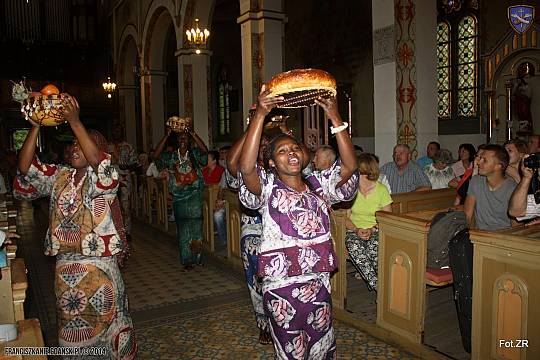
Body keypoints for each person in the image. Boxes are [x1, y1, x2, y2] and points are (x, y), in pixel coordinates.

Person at [238, 88, 359, 359]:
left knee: (321, 344)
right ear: (270, 161)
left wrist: (334, 115)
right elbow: (246, 168)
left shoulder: (319, 185)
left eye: (294, 148)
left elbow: (350, 166)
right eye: (281, 151)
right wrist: (260, 114)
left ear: (304, 156)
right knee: (291, 350)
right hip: (282, 287)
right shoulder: (268, 187)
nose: (291, 153)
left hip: (318, 281)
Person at [13, 94, 136, 358]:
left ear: (97, 149)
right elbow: (25, 168)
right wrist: (36, 124)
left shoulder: (103, 178)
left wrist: (75, 122)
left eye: (82, 144)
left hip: (100, 269)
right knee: (73, 335)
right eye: (72, 145)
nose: (74, 148)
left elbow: (100, 165)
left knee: (107, 332)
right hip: (66, 273)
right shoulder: (59, 176)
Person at [153, 127, 208, 271]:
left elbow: (204, 151)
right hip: (179, 197)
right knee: (183, 230)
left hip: (195, 194)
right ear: (177, 141)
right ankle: (187, 260)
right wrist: (166, 136)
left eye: (185, 138)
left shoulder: (194, 154)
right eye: (180, 138)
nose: (183, 140)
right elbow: (156, 155)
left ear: (189, 140)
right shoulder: (171, 156)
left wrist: (193, 133)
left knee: (196, 229)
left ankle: (197, 258)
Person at [345, 153, 392, 291]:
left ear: (364, 171)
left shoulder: (381, 190)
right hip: (354, 230)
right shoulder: (351, 190)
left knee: (373, 249)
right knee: (354, 246)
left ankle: (383, 286)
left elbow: (388, 219)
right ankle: (379, 288)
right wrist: (356, 230)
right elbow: (346, 218)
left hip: (376, 230)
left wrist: (372, 229)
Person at [464, 144, 516, 230]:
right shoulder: (476, 181)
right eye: (480, 158)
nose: (478, 162)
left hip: (504, 237)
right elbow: (467, 216)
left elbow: (516, 227)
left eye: (484, 160)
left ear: (498, 166)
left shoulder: (512, 188)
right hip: (480, 236)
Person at [108, 125, 138, 238]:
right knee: (111, 204)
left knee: (125, 205)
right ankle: (114, 230)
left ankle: (127, 231)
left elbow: (134, 162)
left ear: (122, 132)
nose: (116, 132)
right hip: (110, 179)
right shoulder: (107, 146)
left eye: (118, 130)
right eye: (114, 130)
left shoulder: (127, 146)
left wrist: (127, 166)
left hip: (124, 178)